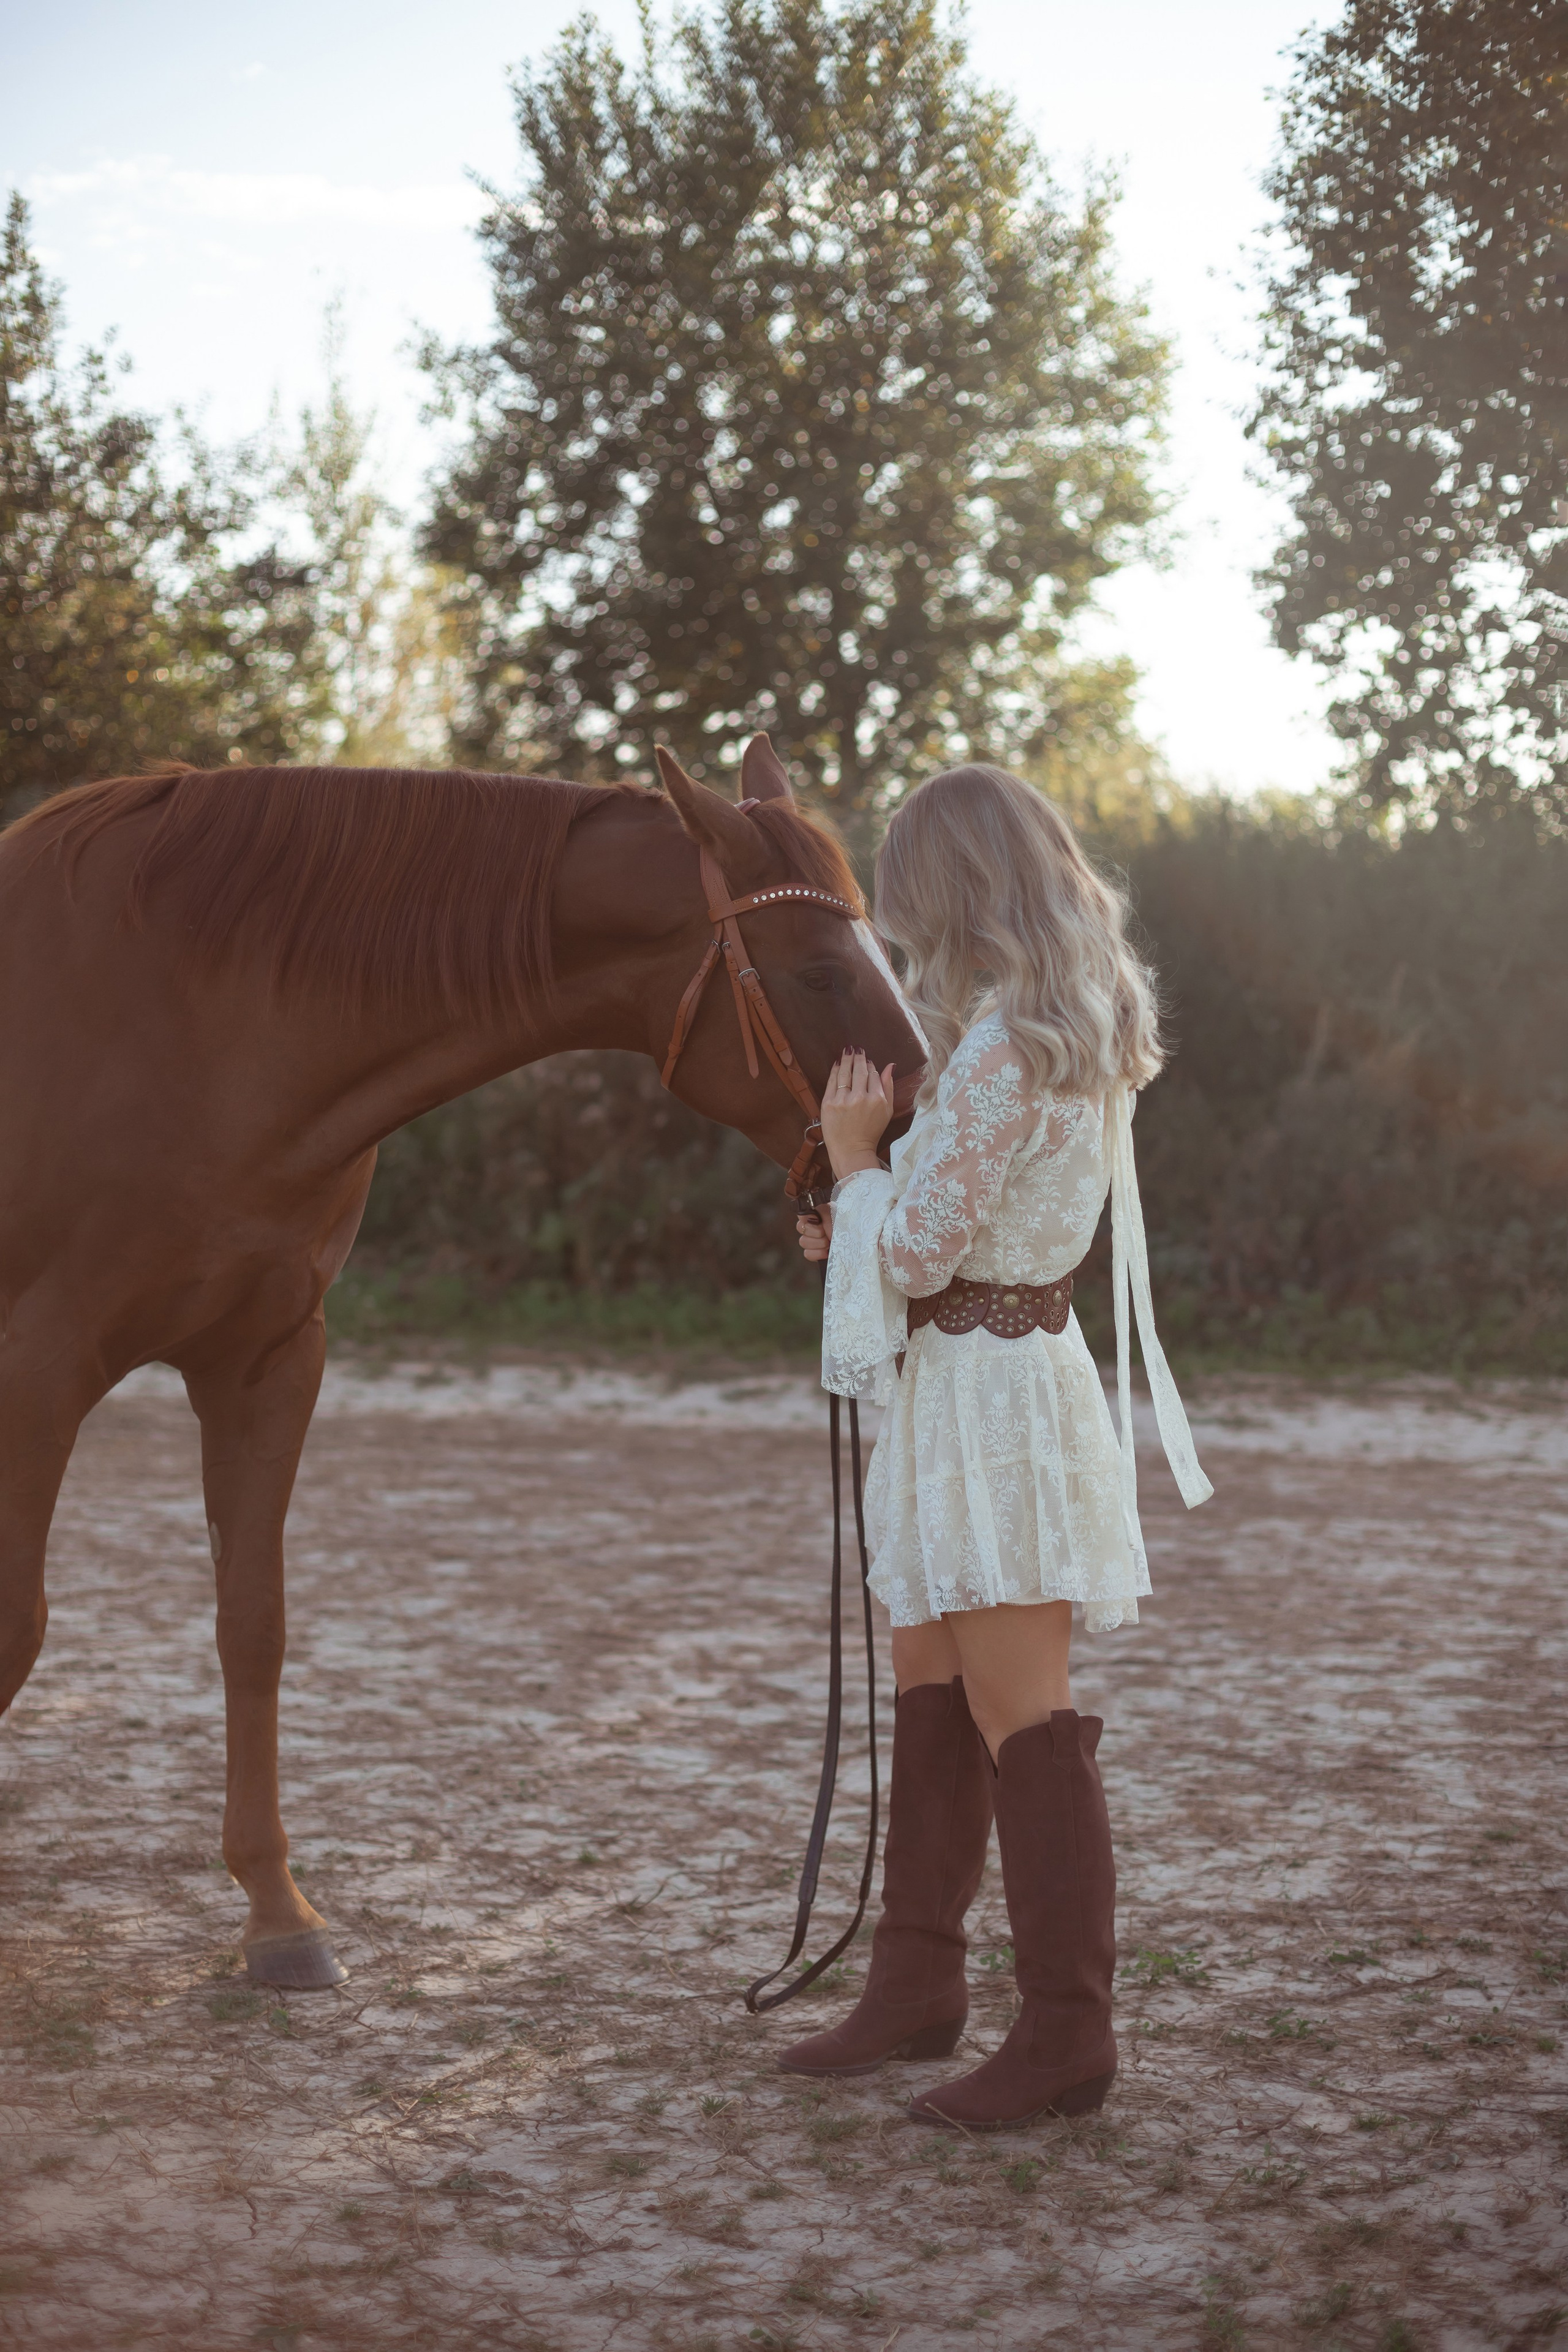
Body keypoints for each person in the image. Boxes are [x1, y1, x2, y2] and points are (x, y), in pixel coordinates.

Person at [778, 764, 1212, 2129]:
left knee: (1022, 1710)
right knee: (929, 1674)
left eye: (907, 913)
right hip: (979, 1379)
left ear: (952, 898)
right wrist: (864, 1216)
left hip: (986, 1397)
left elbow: (911, 1247)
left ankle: (1066, 2036)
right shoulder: (1058, 1031)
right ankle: (916, 1985)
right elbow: (947, 1238)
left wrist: (855, 1163)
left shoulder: (998, 1048)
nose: (897, 943)